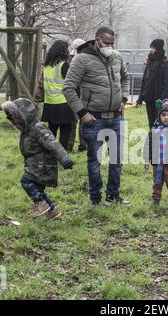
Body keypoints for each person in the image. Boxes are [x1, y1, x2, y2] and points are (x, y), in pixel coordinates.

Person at [63, 27, 130, 207]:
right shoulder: (82, 59)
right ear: (97, 40)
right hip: (94, 119)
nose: (109, 46)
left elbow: (125, 78)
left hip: (116, 117)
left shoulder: (117, 57)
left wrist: (124, 97)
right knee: (95, 161)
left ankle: (113, 195)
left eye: (112, 43)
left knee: (116, 159)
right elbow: (68, 87)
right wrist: (82, 112)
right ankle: (95, 197)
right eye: (106, 43)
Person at [1, 98, 74, 220]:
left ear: (23, 117)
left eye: (14, 119)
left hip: (43, 165)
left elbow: (53, 143)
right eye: (11, 120)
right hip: (35, 165)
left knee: (26, 182)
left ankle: (40, 204)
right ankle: (51, 211)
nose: (13, 123)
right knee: (38, 188)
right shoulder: (26, 130)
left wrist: (65, 159)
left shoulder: (38, 128)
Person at [35, 40, 75, 151]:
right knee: (65, 133)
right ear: (63, 51)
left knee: (51, 132)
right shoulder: (64, 65)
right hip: (64, 104)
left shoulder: (47, 66)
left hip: (49, 104)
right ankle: (62, 156)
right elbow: (72, 84)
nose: (68, 51)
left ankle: (49, 155)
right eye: (67, 49)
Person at [136, 39, 168, 129]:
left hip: (159, 100)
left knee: (160, 124)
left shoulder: (165, 64)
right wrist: (140, 98)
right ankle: (153, 141)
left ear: (157, 48)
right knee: (151, 123)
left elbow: (167, 84)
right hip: (149, 99)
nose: (151, 50)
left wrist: (162, 99)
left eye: (152, 47)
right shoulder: (149, 63)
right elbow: (145, 82)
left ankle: (160, 142)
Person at [67, 38, 87, 153]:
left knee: (74, 123)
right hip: (78, 95)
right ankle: (82, 146)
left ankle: (72, 147)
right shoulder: (85, 59)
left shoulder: (70, 60)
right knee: (79, 122)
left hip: (77, 95)